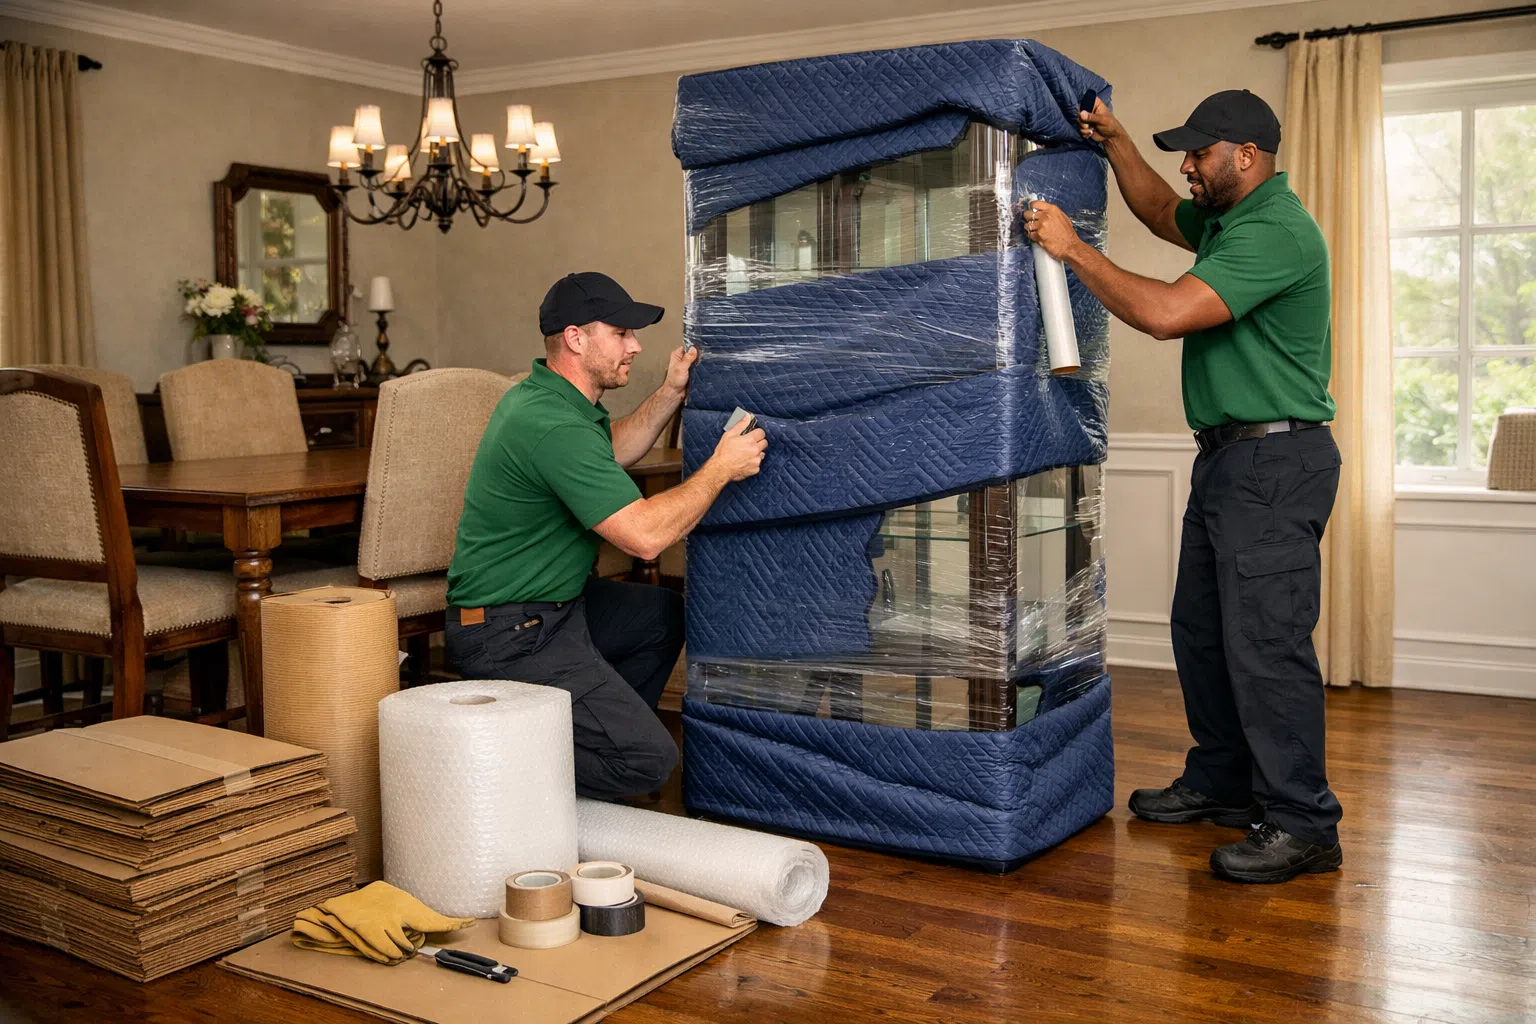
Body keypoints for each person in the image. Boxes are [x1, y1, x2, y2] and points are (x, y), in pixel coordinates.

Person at [1023, 90, 1343, 884]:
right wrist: (1118, 143)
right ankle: (1225, 780)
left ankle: (1304, 824)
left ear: (1247, 155)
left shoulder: (1276, 229)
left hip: (1275, 461)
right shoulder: (1232, 218)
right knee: (1201, 631)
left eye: (1200, 153)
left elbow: (1167, 313)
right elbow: (1165, 212)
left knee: (1267, 647)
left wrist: (1072, 251)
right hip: (1231, 459)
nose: (1187, 166)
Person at [444, 271, 767, 800]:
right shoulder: (552, 424)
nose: (635, 345)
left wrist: (669, 393)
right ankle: (494, 762)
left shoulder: (551, 401)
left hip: (553, 607)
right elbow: (644, 537)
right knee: (649, 762)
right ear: (575, 338)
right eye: (620, 333)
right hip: (509, 632)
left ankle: (584, 739)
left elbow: (611, 450)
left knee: (659, 616)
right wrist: (720, 468)